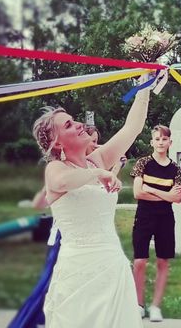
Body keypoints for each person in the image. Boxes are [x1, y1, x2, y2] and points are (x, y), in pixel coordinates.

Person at [32, 81, 150, 328]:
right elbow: (64, 182)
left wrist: (145, 86)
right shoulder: (55, 168)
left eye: (74, 120)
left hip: (112, 265)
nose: (78, 124)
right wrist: (98, 175)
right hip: (79, 271)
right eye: (68, 125)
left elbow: (133, 128)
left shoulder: (96, 160)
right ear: (57, 143)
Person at [9, 124, 118, 328]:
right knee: (49, 286)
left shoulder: (96, 163)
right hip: (65, 238)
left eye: (95, 140)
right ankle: (26, 321)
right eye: (91, 139)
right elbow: (44, 198)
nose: (93, 143)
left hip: (105, 250)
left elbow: (108, 185)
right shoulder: (58, 169)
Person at [131, 124, 181, 322]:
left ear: (170, 142)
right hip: (144, 216)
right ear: (152, 142)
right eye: (157, 139)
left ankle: (155, 306)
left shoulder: (174, 168)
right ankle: (138, 304)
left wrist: (151, 190)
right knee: (140, 261)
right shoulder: (143, 163)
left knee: (163, 261)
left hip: (165, 218)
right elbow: (137, 193)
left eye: (164, 139)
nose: (161, 142)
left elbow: (177, 198)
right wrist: (166, 195)